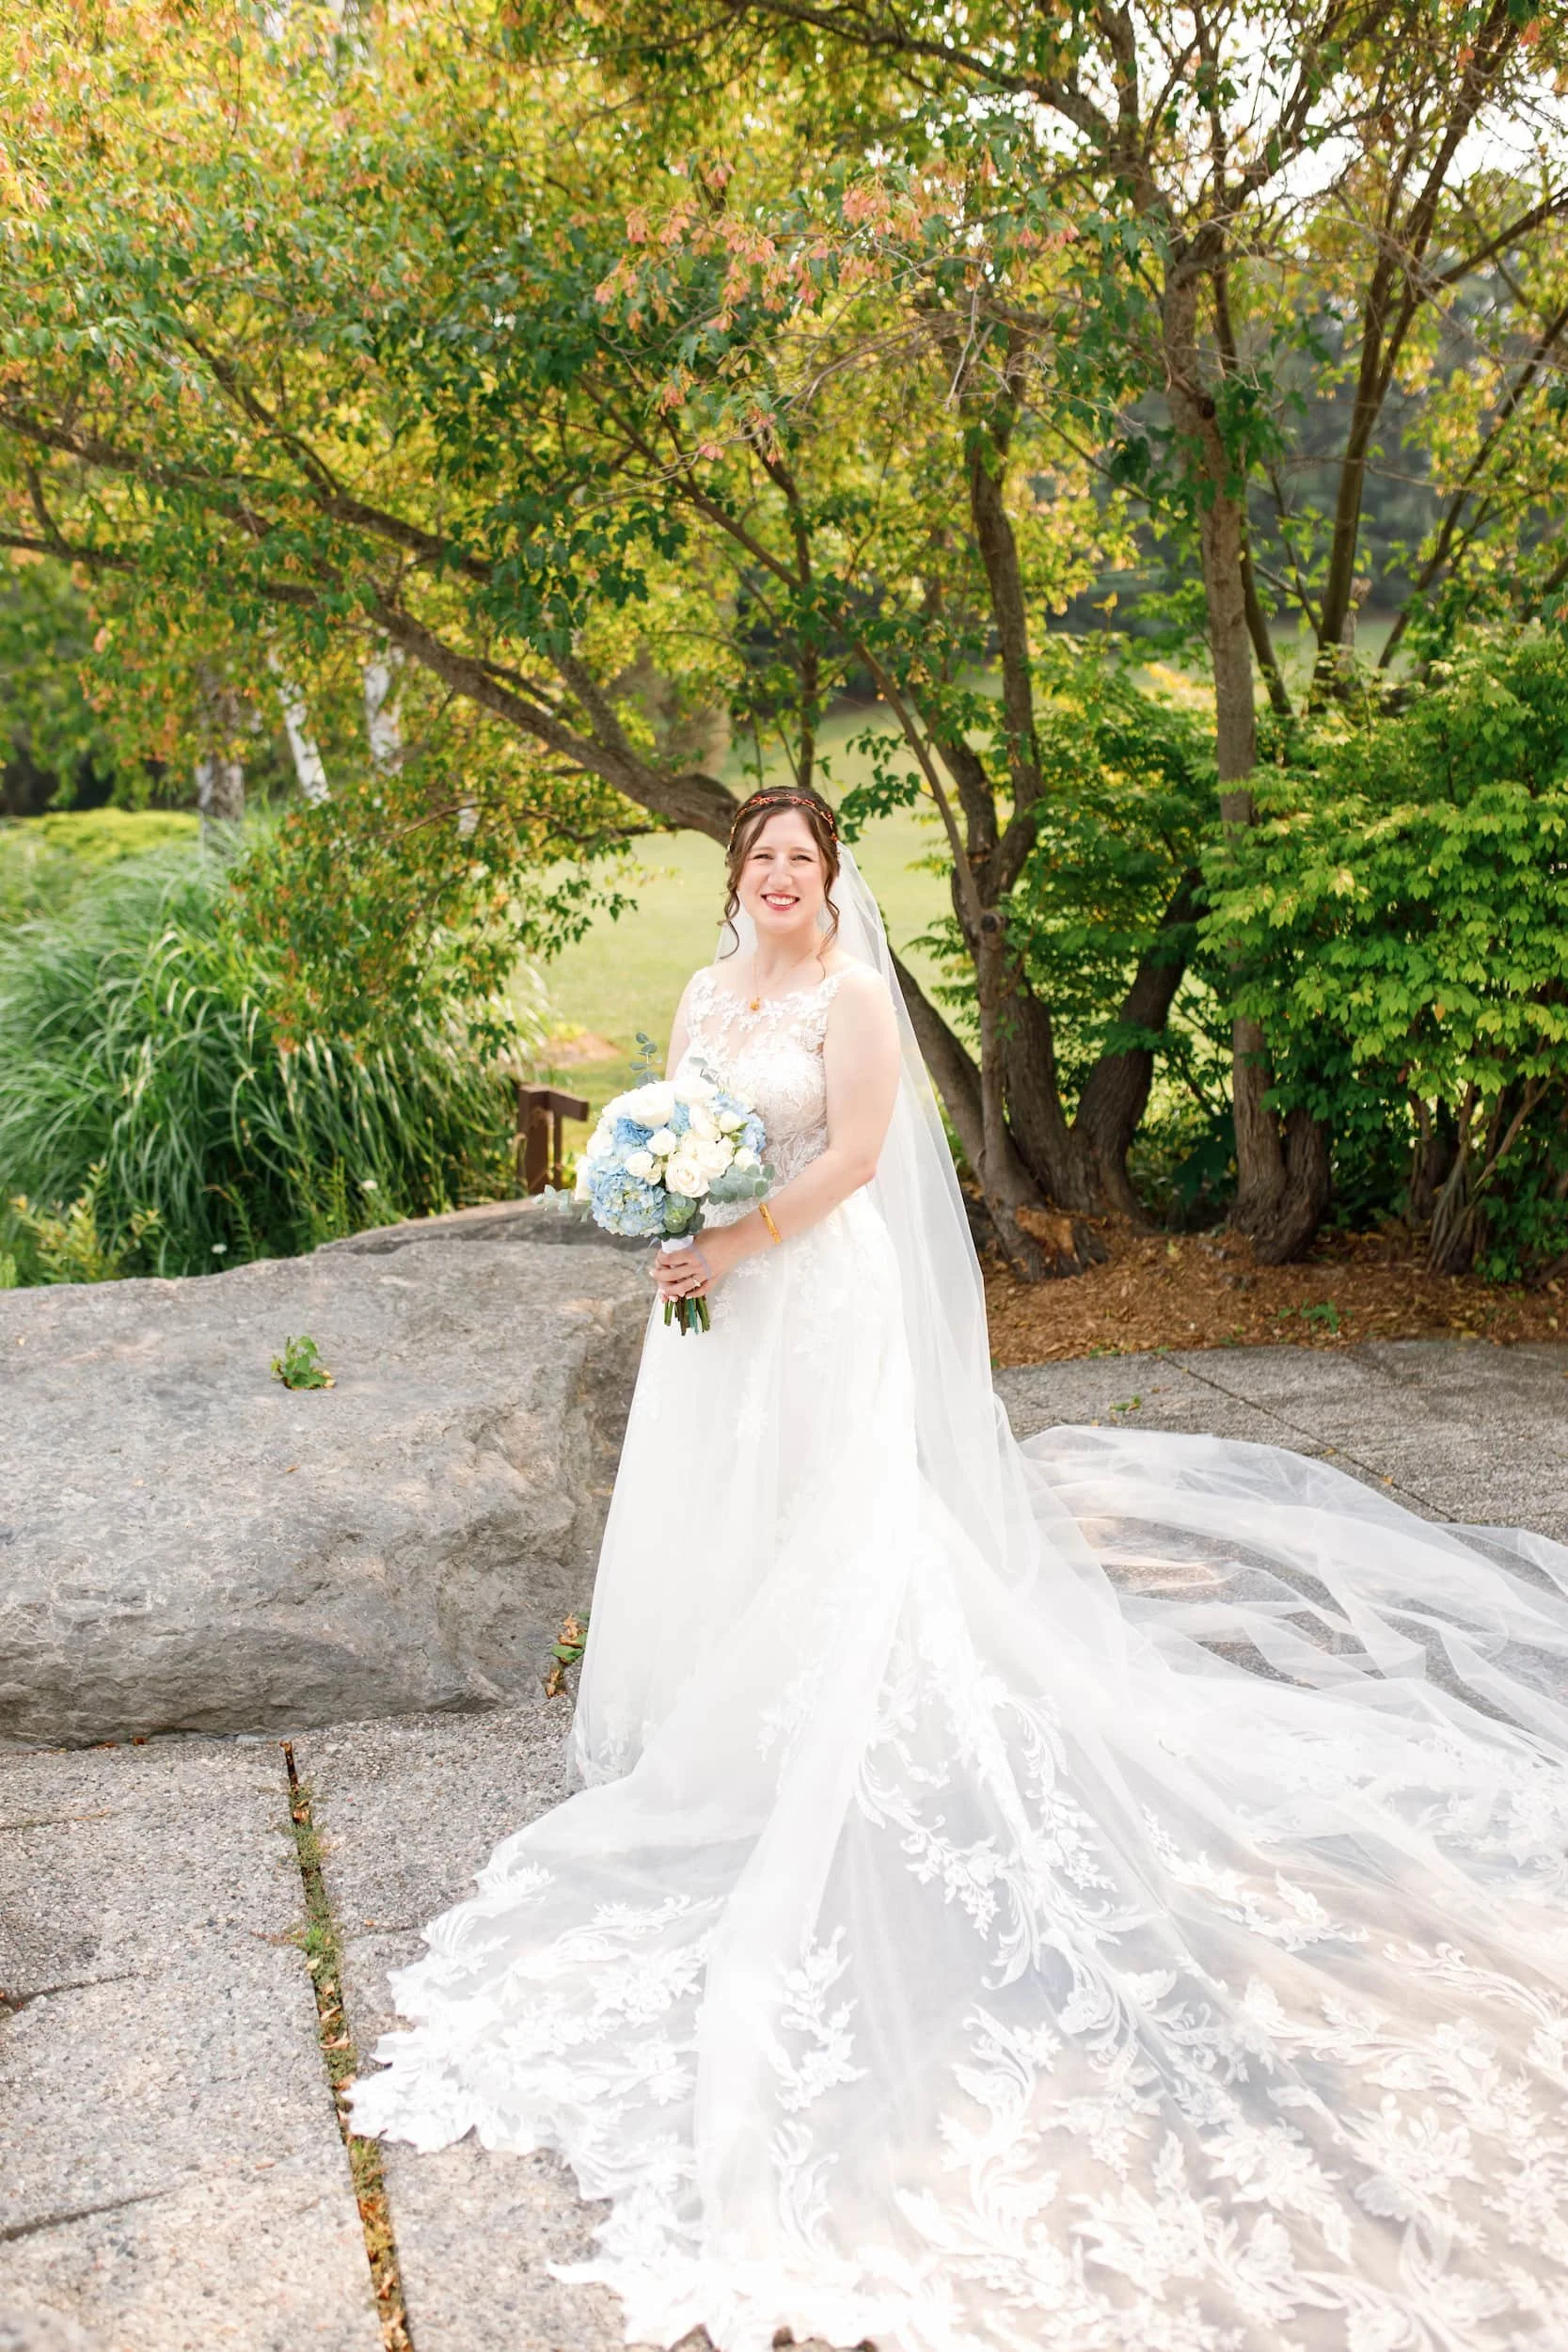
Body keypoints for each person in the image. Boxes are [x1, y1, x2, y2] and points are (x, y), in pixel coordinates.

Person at [352, 784, 1568, 2352]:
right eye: (760, 859)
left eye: (802, 859)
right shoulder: (705, 994)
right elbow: (667, 1122)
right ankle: (732, 1710)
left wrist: (732, 1241)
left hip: (811, 1289)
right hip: (714, 1300)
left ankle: (842, 1725)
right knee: (723, 1512)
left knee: (839, 1528)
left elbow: (855, 1160)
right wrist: (665, 1211)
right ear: (736, 877)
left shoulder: (852, 1001)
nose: (780, 877)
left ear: (828, 879)